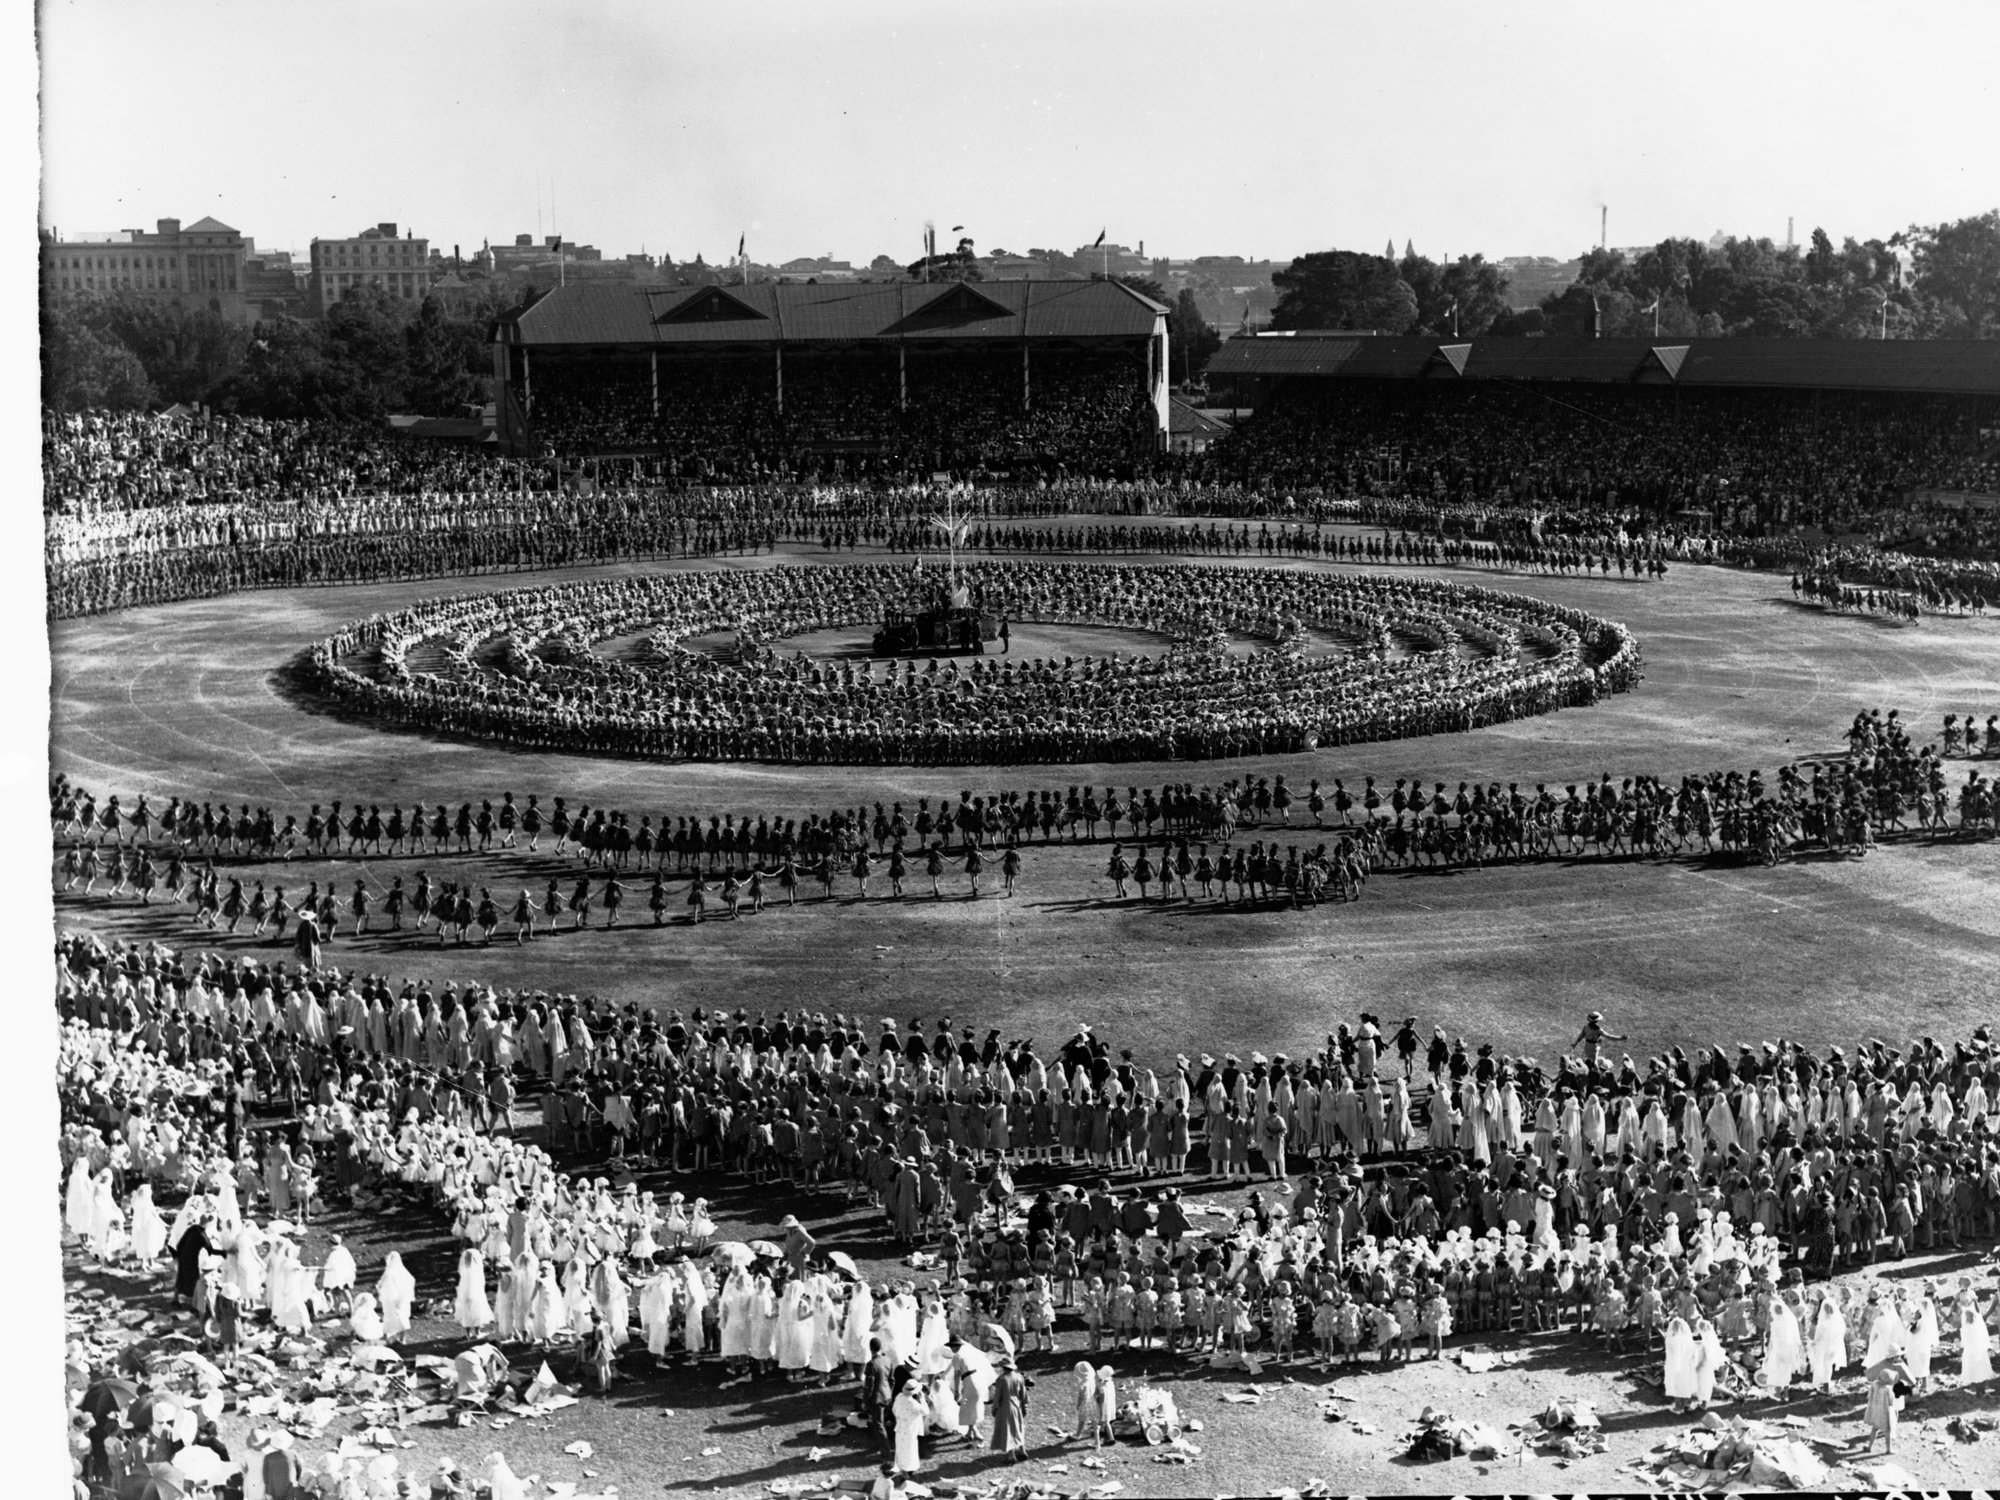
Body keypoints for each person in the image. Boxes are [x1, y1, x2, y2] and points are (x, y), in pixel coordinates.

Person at [989, 1352, 1028, 1461]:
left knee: (1008, 1429)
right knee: (1018, 1427)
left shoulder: (1001, 1380)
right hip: (1017, 1405)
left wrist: (994, 1408)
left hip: (1005, 1406)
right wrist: (1024, 1406)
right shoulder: (1019, 1377)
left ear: (1003, 1367)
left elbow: (997, 1396)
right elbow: (1024, 1394)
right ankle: (1022, 1449)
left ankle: (1011, 1455)